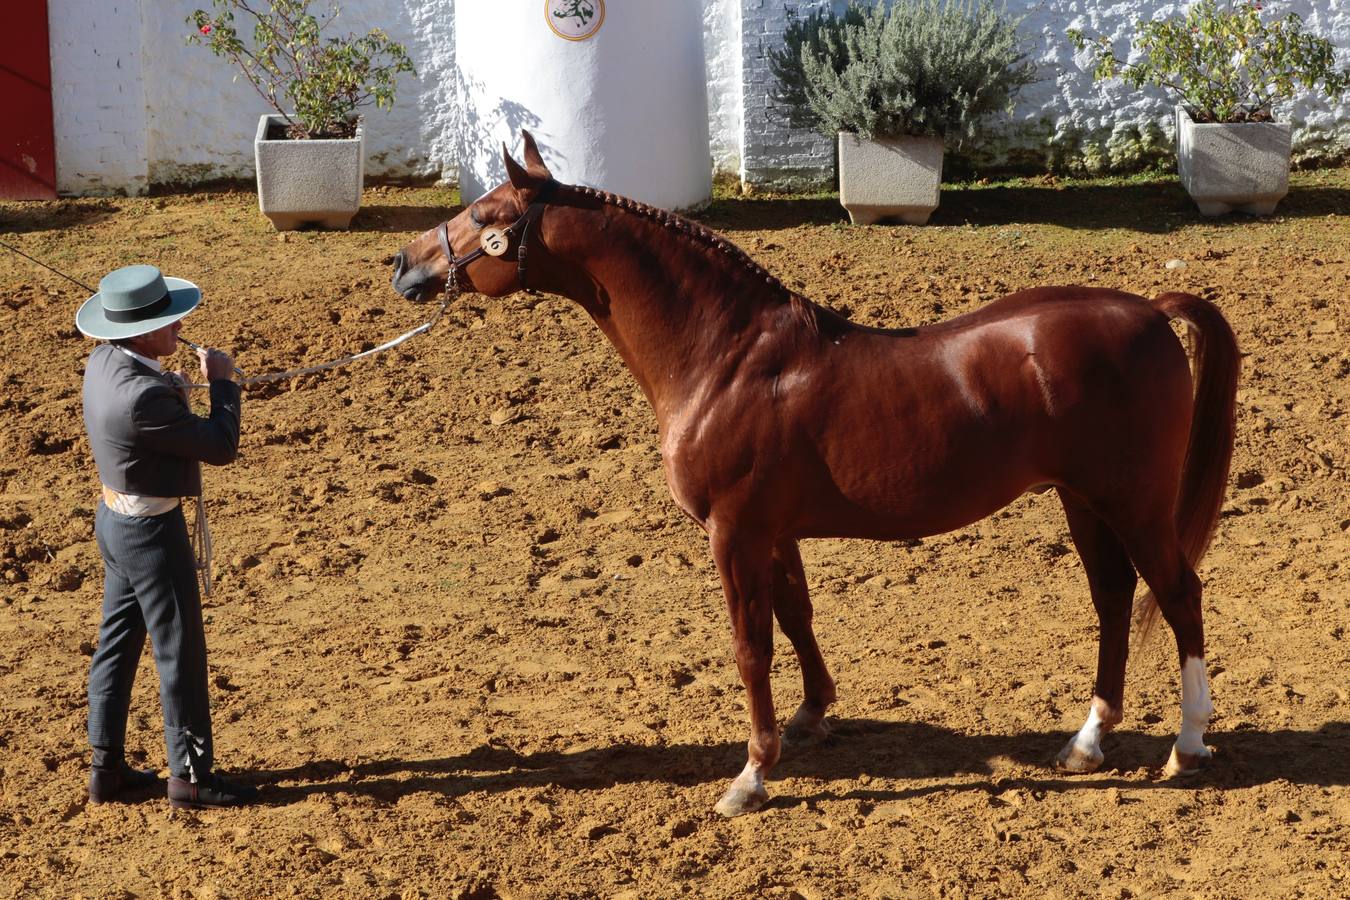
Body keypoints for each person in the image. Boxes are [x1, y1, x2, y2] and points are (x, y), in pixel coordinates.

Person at [76, 264, 257, 809]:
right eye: (168, 320)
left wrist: (171, 388)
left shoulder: (108, 362)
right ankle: (191, 777)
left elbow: (151, 412)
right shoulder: (143, 396)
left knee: (117, 645)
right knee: (179, 652)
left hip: (116, 523)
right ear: (137, 330)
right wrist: (222, 385)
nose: (180, 326)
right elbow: (220, 446)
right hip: (151, 534)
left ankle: (105, 769)